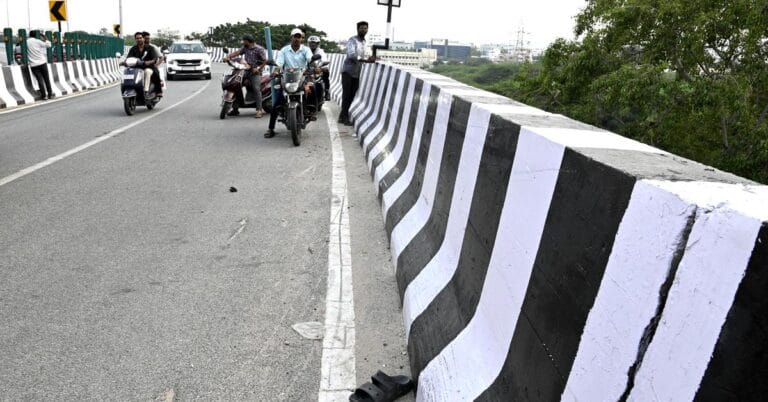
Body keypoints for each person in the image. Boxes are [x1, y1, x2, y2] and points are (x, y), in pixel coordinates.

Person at [264, 28, 317, 138]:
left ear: (302, 38)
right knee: (277, 102)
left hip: (302, 77)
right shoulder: (284, 50)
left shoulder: (306, 50)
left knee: (313, 88)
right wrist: (275, 72)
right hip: (287, 77)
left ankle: (312, 111)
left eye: (299, 37)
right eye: (295, 36)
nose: (297, 39)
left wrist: (314, 67)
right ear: (291, 37)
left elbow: (310, 60)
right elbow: (279, 64)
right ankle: (271, 128)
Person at [339, 21, 376, 125]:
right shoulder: (352, 40)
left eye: (365, 28)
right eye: (362, 28)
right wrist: (365, 60)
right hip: (347, 72)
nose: (364, 30)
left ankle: (342, 115)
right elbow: (351, 55)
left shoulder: (364, 42)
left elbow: (364, 56)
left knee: (352, 94)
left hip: (356, 73)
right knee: (346, 95)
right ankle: (344, 118)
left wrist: (372, 58)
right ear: (357, 29)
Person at [223, 34, 268, 118]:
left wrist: (258, 69)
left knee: (256, 88)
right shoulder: (245, 48)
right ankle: (235, 109)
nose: (242, 42)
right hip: (246, 70)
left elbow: (264, 61)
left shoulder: (259, 49)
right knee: (235, 84)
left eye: (244, 41)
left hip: (255, 72)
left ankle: (259, 110)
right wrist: (228, 57)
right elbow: (237, 53)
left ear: (248, 41)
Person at [125, 32, 159, 98]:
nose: (139, 39)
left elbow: (155, 59)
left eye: (140, 38)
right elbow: (128, 58)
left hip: (148, 67)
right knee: (129, 71)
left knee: (147, 72)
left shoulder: (150, 48)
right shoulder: (133, 49)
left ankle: (146, 91)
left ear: (143, 39)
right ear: (135, 39)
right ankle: (131, 88)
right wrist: (124, 62)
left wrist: (148, 62)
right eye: (137, 38)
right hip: (136, 68)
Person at [26, 30, 54, 100]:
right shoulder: (38, 41)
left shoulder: (26, 42)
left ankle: (44, 96)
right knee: (46, 79)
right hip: (42, 62)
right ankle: (50, 94)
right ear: (35, 35)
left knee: (39, 80)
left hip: (34, 65)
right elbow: (49, 45)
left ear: (29, 35)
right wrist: (45, 37)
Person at [308, 35, 330, 101]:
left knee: (326, 71)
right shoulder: (306, 50)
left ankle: (327, 91)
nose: (312, 44)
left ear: (318, 44)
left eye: (315, 43)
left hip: (317, 70)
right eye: (311, 42)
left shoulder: (320, 51)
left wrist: (321, 66)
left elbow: (324, 60)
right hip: (306, 70)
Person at [142, 31, 163, 96]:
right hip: (139, 66)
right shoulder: (136, 47)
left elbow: (161, 57)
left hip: (150, 66)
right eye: (146, 38)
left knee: (156, 74)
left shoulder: (153, 47)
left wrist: (156, 65)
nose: (148, 40)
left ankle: (159, 91)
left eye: (148, 38)